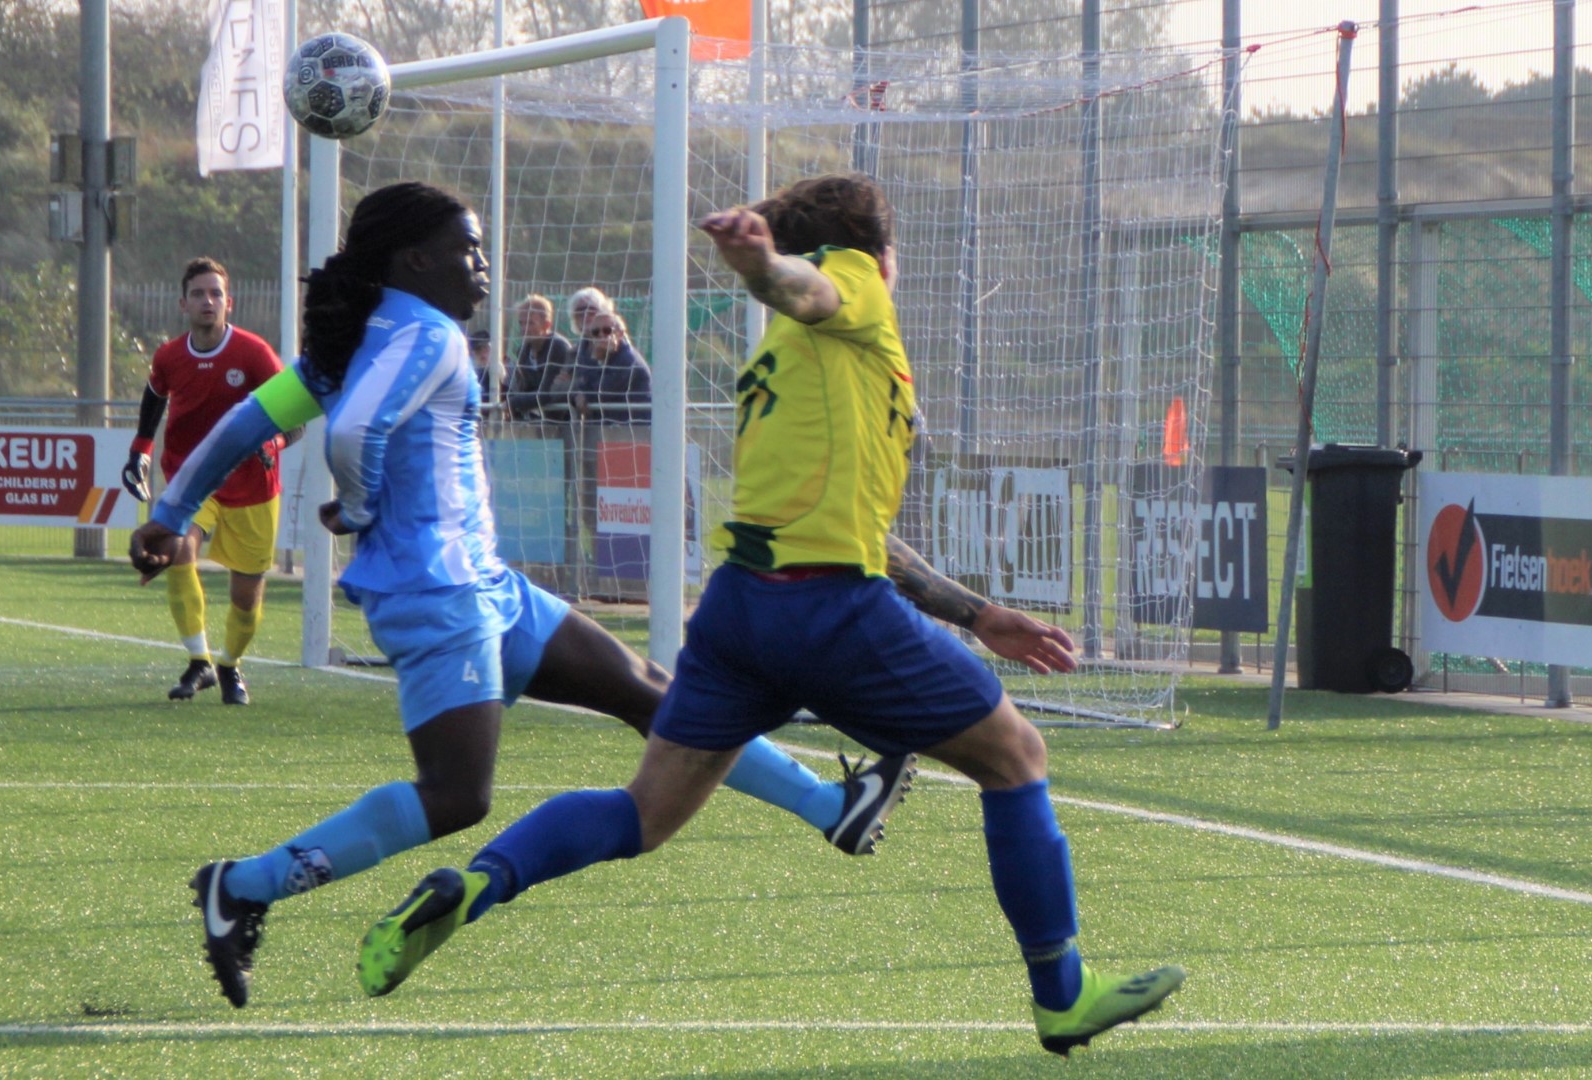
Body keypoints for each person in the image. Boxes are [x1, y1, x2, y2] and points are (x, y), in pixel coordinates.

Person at [353, 174, 1184, 1057]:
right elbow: (807, 283)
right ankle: (1062, 993)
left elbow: (853, 519)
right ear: (879, 253)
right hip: (828, 610)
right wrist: (762, 264)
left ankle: (478, 885)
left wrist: (974, 613)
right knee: (1017, 758)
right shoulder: (849, 284)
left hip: (738, 613)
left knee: (647, 813)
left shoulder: (792, 356)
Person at [128, 182, 929, 1010]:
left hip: (483, 587)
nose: (482, 264)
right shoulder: (428, 333)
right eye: (467, 248)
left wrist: (172, 512)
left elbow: (247, 421)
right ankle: (245, 886)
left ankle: (832, 806)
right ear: (415, 260)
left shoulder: (357, 340)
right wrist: (360, 506)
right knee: (456, 795)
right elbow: (352, 433)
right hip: (438, 593)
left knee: (653, 693)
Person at [122, 257, 290, 706]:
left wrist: (271, 444)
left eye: (215, 293)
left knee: (247, 595)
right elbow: (155, 396)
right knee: (177, 549)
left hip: (252, 485)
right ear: (183, 304)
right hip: (192, 480)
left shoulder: (255, 354)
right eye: (198, 293)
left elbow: (293, 419)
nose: (207, 301)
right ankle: (199, 661)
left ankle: (230, 665)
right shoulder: (170, 356)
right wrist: (140, 449)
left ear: (229, 303)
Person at [569, 309, 652, 424]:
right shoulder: (600, 359)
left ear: (620, 334)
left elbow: (601, 392)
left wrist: (582, 394)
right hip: (613, 430)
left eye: (607, 331)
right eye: (596, 332)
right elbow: (575, 384)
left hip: (638, 430)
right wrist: (577, 395)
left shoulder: (628, 359)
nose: (601, 335)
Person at [506, 294, 574, 421]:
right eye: (521, 323)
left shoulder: (558, 347)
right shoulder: (523, 351)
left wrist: (510, 403)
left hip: (567, 419)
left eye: (530, 323)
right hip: (542, 418)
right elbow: (526, 389)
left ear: (547, 325)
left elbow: (547, 394)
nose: (524, 329)